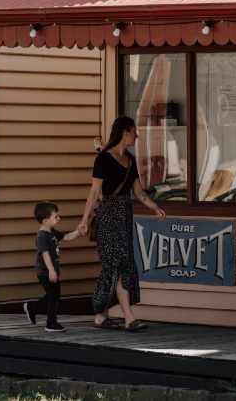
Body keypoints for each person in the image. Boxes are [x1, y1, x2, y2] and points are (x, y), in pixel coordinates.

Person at [78, 116, 166, 331]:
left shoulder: (130, 160)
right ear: (124, 132)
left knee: (120, 265)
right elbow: (94, 192)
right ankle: (129, 318)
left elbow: (138, 192)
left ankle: (101, 315)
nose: (136, 136)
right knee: (116, 264)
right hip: (108, 217)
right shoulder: (103, 159)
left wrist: (154, 207)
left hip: (125, 217)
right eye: (134, 132)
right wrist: (84, 220)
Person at [24, 201, 81, 332]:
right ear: (45, 220)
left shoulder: (52, 232)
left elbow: (66, 237)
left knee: (53, 295)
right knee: (53, 296)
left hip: (51, 271)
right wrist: (51, 271)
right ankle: (51, 323)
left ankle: (32, 307)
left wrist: (78, 232)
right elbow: (45, 254)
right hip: (45, 271)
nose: (59, 218)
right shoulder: (42, 236)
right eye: (56, 217)